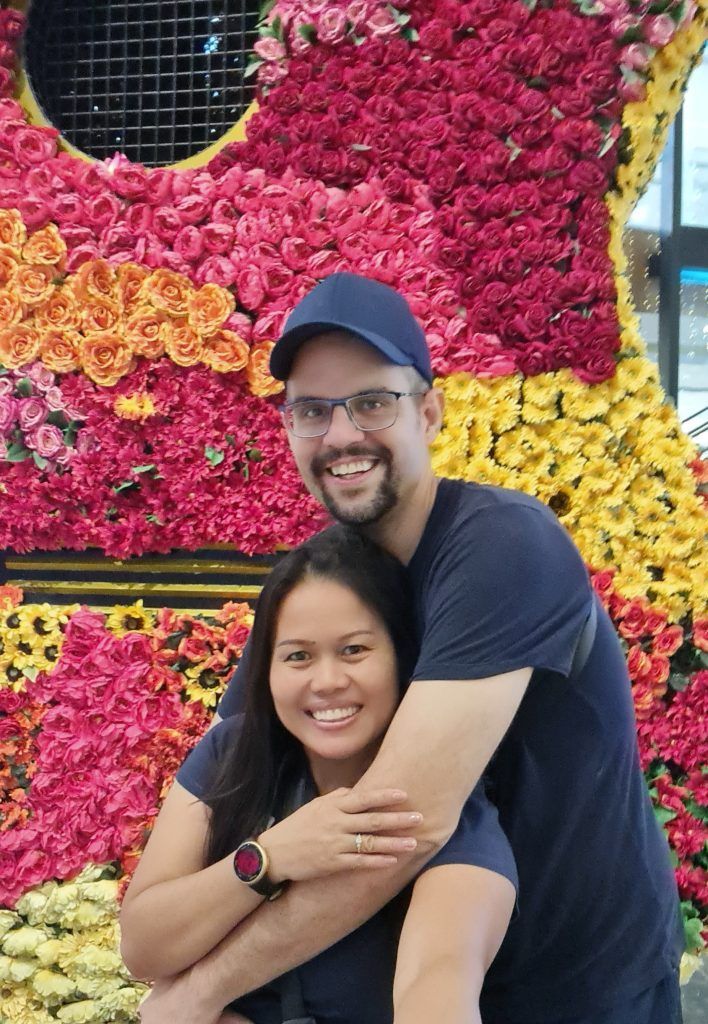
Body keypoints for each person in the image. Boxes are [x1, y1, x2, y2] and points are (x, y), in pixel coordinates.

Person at [138, 273, 684, 1024]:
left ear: (428, 411)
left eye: (372, 402)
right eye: (312, 411)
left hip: (574, 984)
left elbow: (396, 830)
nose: (341, 435)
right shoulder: (327, 577)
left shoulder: (503, 547)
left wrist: (201, 992)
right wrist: (255, 868)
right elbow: (245, 750)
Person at [121, 526, 518, 1024]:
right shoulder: (236, 751)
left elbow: (438, 980)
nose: (327, 682)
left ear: (404, 659)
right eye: (298, 656)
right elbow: (143, 948)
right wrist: (270, 857)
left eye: (354, 650)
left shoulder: (443, 825)